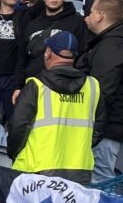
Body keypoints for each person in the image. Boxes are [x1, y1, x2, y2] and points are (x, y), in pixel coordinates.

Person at [7, 31, 101, 184]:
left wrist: (13, 153)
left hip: (37, 169)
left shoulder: (36, 85)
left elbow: (18, 127)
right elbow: (99, 128)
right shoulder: (92, 86)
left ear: (48, 52)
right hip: (79, 171)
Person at [79, 0, 123, 181]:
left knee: (100, 179)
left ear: (99, 16)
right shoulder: (109, 42)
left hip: (105, 128)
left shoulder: (113, 45)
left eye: (91, 12)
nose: (88, 16)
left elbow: (102, 91)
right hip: (105, 126)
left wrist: (95, 130)